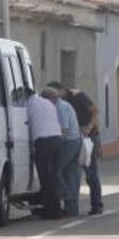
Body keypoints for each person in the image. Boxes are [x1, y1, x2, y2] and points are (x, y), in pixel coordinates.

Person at [49, 81, 103, 215]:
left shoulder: (78, 96)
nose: (55, 97)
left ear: (61, 89)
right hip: (76, 137)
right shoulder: (61, 101)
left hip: (89, 137)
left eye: (56, 93)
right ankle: (72, 206)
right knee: (72, 172)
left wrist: (89, 127)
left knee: (91, 173)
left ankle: (97, 205)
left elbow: (95, 111)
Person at [26, 88, 64, 219]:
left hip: (44, 142)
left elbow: (26, 123)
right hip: (57, 140)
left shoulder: (29, 104)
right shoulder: (48, 104)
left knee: (45, 177)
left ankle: (51, 211)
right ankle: (56, 208)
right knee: (54, 175)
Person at [46, 86, 82, 216]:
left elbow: (64, 130)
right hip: (75, 140)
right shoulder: (64, 105)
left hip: (69, 142)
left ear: (50, 99)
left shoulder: (60, 108)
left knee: (55, 171)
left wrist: (55, 146)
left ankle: (67, 197)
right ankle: (72, 209)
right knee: (71, 174)